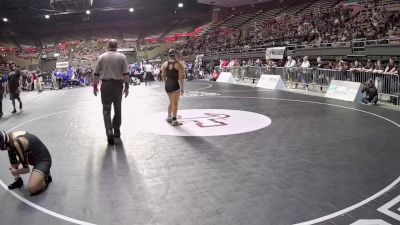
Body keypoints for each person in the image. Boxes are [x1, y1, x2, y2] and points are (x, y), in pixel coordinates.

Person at [93, 39, 129, 145]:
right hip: (118, 86)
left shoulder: (101, 57)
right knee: (118, 109)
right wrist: (127, 87)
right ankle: (117, 131)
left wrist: (95, 87)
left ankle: (109, 131)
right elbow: (126, 73)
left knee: (106, 110)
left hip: (106, 86)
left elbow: (96, 74)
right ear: (117, 46)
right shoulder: (122, 57)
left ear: (107, 46)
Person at [0, 131, 52, 195]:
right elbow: (23, 152)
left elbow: (26, 170)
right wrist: (17, 164)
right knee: (10, 151)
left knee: (32, 188)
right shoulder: (9, 137)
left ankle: (46, 176)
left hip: (43, 160)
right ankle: (18, 180)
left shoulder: (17, 143)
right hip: (32, 155)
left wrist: (15, 172)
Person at [161, 49, 185, 126]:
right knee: (175, 104)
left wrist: (166, 82)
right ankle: (174, 120)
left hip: (167, 85)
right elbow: (181, 78)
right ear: (176, 55)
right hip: (175, 84)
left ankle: (169, 116)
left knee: (171, 102)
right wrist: (182, 88)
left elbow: (163, 76)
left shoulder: (165, 64)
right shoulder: (179, 64)